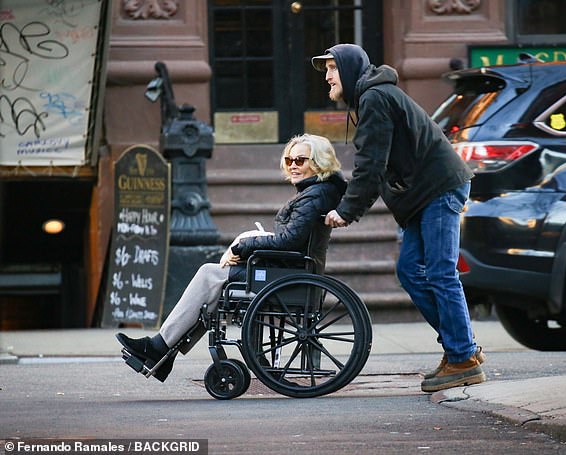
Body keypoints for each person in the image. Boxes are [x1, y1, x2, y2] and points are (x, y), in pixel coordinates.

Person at [311, 44, 485, 392]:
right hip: (424, 196)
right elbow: (376, 162)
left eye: (332, 68)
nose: (327, 77)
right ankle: (461, 349)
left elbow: (371, 164)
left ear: (348, 69)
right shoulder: (371, 98)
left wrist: (347, 211)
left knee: (439, 272)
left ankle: (462, 357)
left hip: (438, 190)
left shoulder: (375, 98)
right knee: (410, 271)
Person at [116, 134, 347, 382]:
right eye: (289, 159)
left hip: (290, 275)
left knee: (209, 274)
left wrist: (243, 246)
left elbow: (289, 241)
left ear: (319, 163)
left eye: (300, 160)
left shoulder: (314, 195)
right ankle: (163, 354)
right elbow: (293, 239)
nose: (292, 165)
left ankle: (159, 348)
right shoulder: (317, 192)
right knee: (214, 288)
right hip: (289, 270)